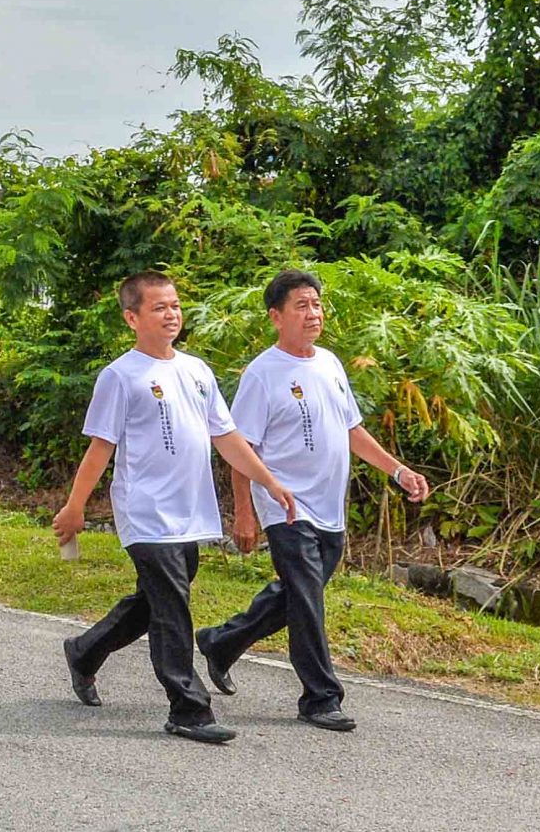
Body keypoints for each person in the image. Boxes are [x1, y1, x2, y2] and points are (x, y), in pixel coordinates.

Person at [54, 272, 304, 746]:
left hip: (190, 510)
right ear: (132, 318)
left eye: (174, 306)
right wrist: (75, 506)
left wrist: (269, 481)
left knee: (156, 601)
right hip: (145, 511)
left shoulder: (196, 371)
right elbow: (99, 450)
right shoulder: (120, 376)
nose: (171, 315)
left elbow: (227, 437)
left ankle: (84, 651)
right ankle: (189, 706)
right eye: (158, 308)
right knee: (173, 605)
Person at [196, 269, 431, 732]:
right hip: (284, 507)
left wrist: (398, 471)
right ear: (276, 316)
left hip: (329, 507)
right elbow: (239, 448)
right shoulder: (263, 375)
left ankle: (221, 642)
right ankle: (321, 697)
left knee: (298, 595)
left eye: (317, 304)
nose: (313, 314)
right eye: (301, 306)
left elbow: (352, 431)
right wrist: (244, 512)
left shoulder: (329, 364)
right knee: (306, 599)